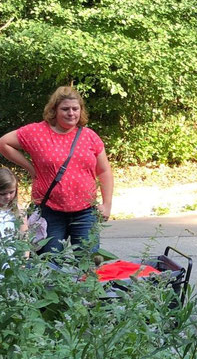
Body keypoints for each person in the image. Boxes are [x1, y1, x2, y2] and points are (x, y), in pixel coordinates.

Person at [0, 86, 114, 254]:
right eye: (65, 109)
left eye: (75, 109)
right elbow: (4, 143)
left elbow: (104, 171)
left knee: (87, 264)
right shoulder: (36, 132)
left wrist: (107, 204)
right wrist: (30, 168)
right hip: (49, 211)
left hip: (86, 212)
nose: (71, 113)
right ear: (54, 110)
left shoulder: (89, 136)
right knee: (48, 264)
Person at [0, 167, 28, 262]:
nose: (8, 196)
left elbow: (24, 239)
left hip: (12, 260)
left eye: (11, 192)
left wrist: (24, 262)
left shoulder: (18, 211)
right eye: (2, 193)